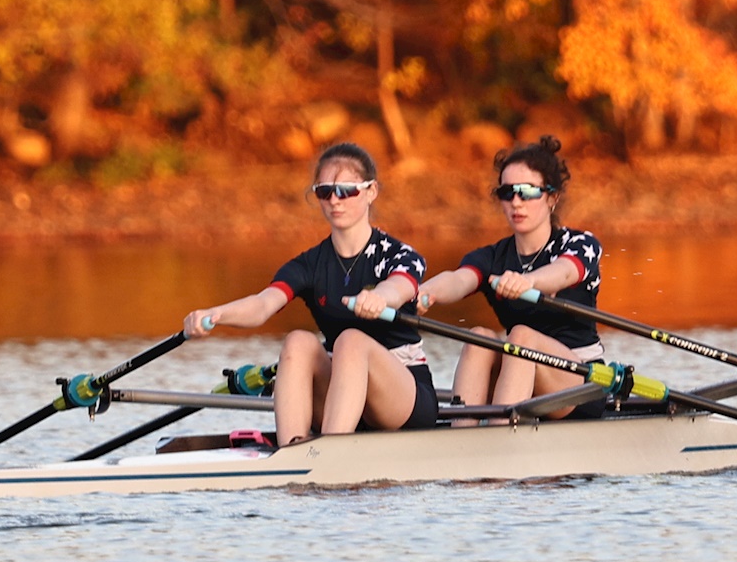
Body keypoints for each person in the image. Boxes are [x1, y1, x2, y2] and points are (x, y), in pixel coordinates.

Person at [181, 140, 438, 444]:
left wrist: (380, 297)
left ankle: (328, 454)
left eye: (346, 190)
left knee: (352, 340)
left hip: (402, 396)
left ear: (371, 192)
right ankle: (293, 453)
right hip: (341, 391)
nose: (335, 201)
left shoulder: (399, 254)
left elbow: (401, 286)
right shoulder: (309, 264)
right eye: (324, 191)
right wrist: (217, 313)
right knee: (299, 341)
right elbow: (263, 305)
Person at [413, 135, 605, 412]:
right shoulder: (493, 257)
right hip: (521, 372)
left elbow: (564, 273)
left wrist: (529, 281)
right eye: (507, 193)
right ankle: (461, 436)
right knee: (480, 337)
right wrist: (422, 293)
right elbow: (457, 280)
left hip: (581, 383)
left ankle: (501, 432)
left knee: (521, 336)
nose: (516, 202)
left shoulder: (580, 244)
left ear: (552, 197)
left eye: (527, 192)